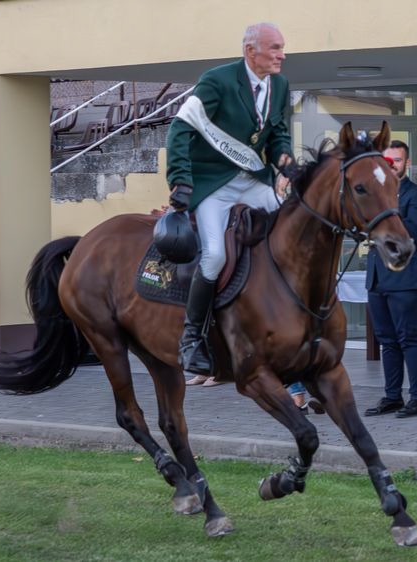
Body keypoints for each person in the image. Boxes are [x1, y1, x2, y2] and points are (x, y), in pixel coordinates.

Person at [165, 23, 293, 383]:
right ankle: (192, 337)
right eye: (275, 48)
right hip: (215, 184)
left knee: (292, 228)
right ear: (251, 51)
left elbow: (278, 132)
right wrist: (181, 178)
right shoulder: (217, 80)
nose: (282, 55)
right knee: (215, 256)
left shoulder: (279, 85)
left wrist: (283, 160)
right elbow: (181, 129)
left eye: (282, 48)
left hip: (253, 180)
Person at [363, 141, 417, 419]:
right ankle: (393, 395)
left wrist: (379, 227)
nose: (393, 166)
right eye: (388, 161)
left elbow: (411, 230)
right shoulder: (372, 194)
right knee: (386, 340)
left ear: (407, 163)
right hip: (377, 277)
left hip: (405, 277)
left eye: (398, 161)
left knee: (408, 338)